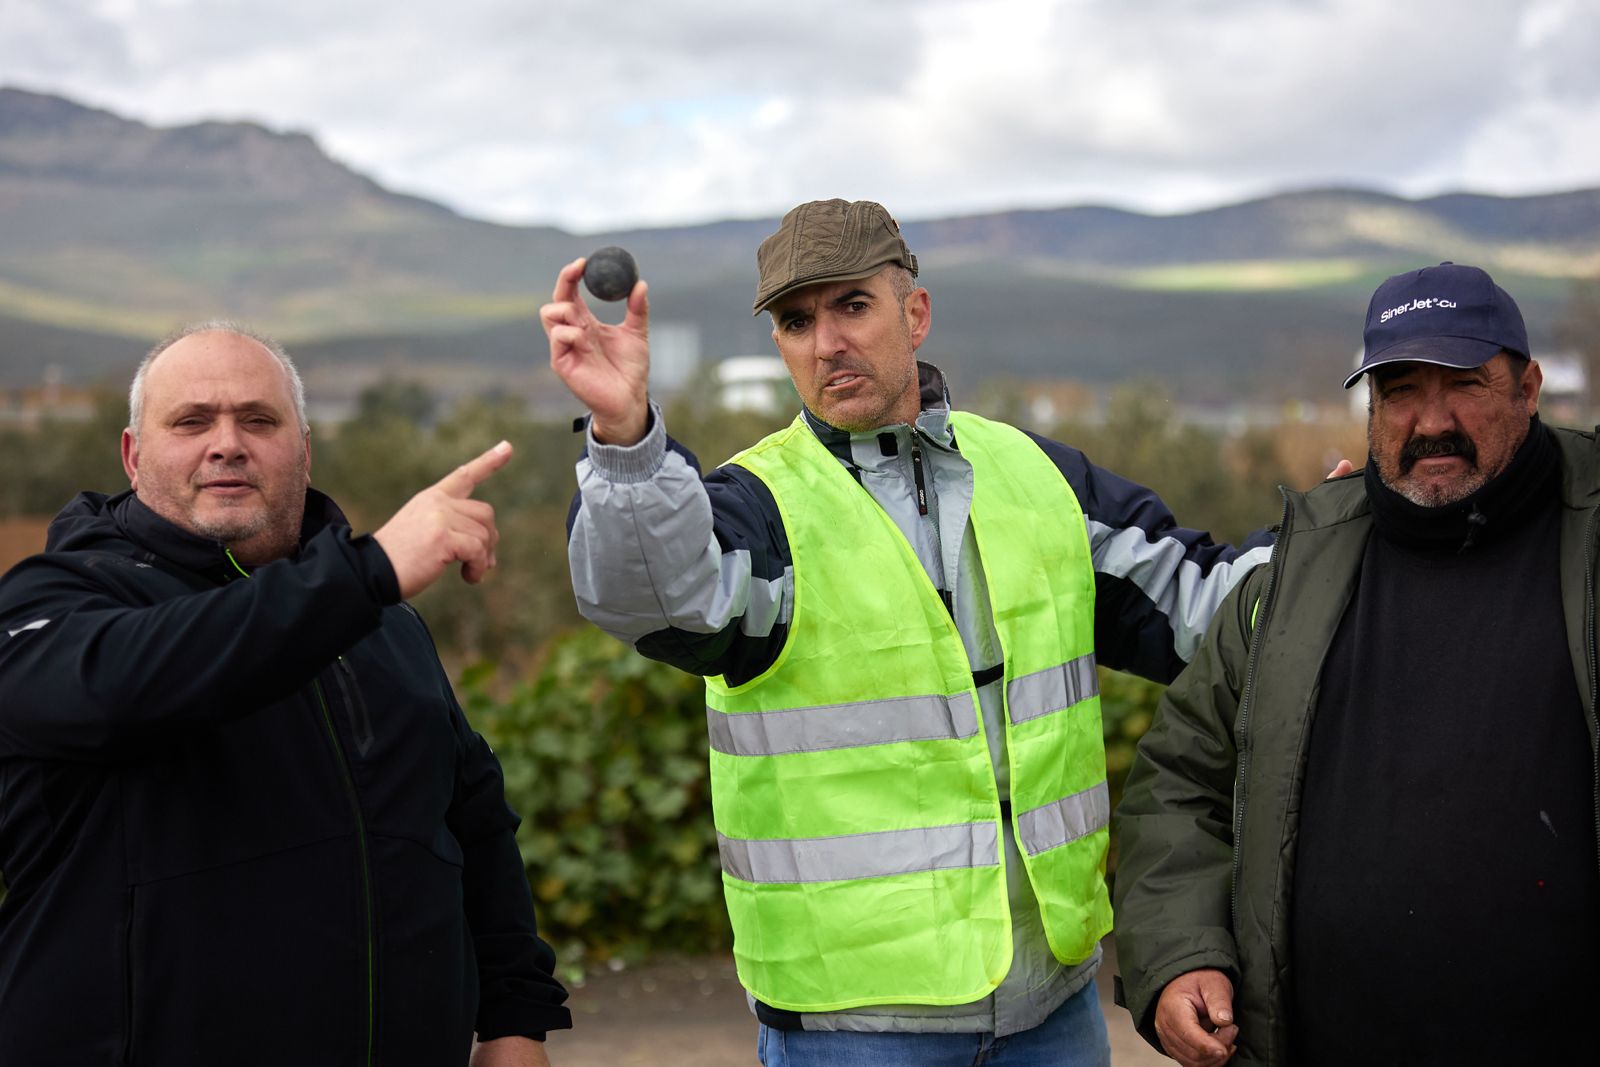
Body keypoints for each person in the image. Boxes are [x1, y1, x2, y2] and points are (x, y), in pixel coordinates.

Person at [543, 198, 1270, 1066]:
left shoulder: (1041, 478)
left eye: (853, 306)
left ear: (914, 313)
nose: (826, 342)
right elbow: (652, 597)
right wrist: (625, 440)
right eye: (797, 320)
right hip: (855, 1030)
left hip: (1055, 1007)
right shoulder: (757, 509)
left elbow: (1207, 609)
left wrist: (1342, 539)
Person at [0, 324, 571, 1065]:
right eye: (193, 421)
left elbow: (474, 819)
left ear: (304, 450)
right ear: (134, 457)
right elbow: (130, 683)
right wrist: (365, 575)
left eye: (258, 420)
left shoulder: (385, 625)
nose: (228, 443)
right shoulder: (52, 605)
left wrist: (515, 1018)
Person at [1112, 262, 1600, 1066]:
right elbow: (1178, 780)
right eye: (1401, 389)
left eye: (1466, 384)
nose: (1431, 419)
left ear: (1529, 385)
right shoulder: (1294, 570)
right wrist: (1180, 953)